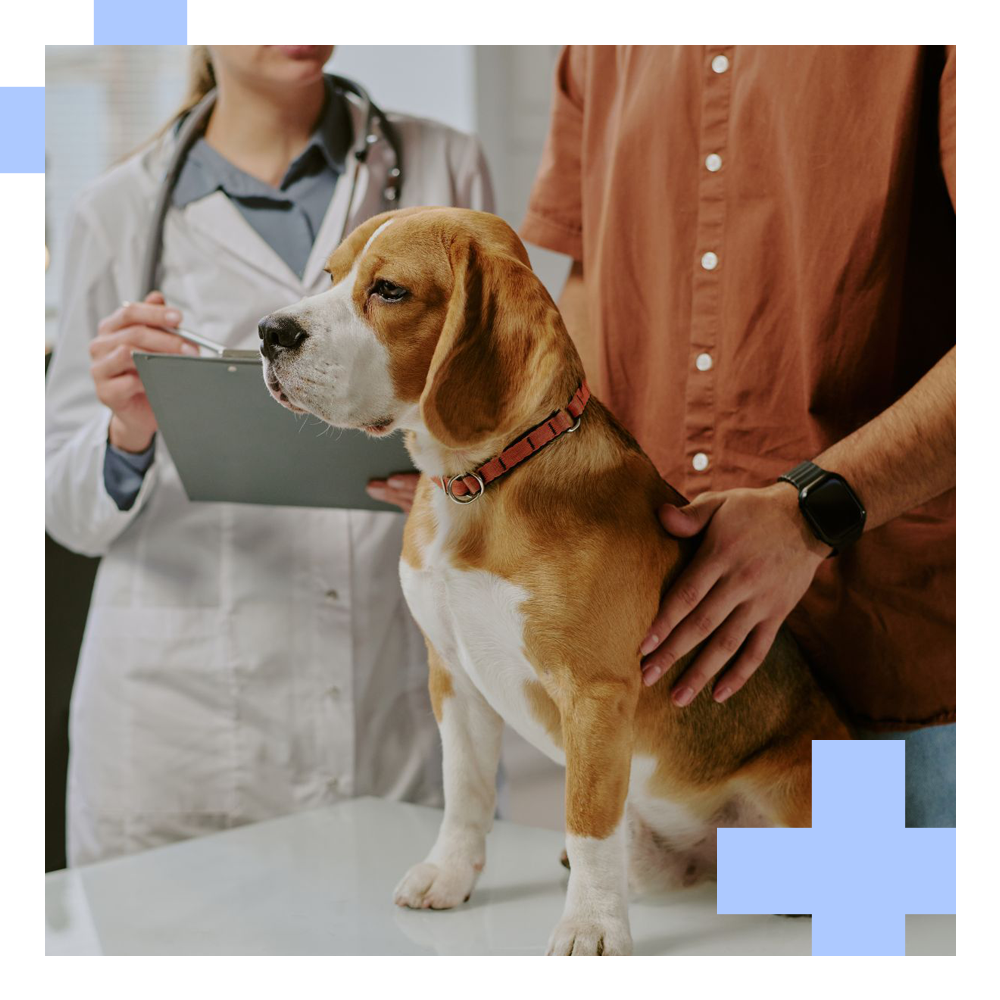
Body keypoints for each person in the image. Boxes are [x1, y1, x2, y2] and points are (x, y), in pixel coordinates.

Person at [44, 44, 495, 866]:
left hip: (389, 693)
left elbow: (500, 405)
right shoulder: (110, 210)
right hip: (181, 727)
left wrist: (457, 476)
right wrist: (127, 430)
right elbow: (66, 509)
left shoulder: (443, 164)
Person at [518, 45, 956, 827]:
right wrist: (513, 459)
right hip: (663, 708)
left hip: (876, 685)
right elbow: (590, 274)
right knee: (703, 949)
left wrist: (812, 512)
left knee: (871, 944)